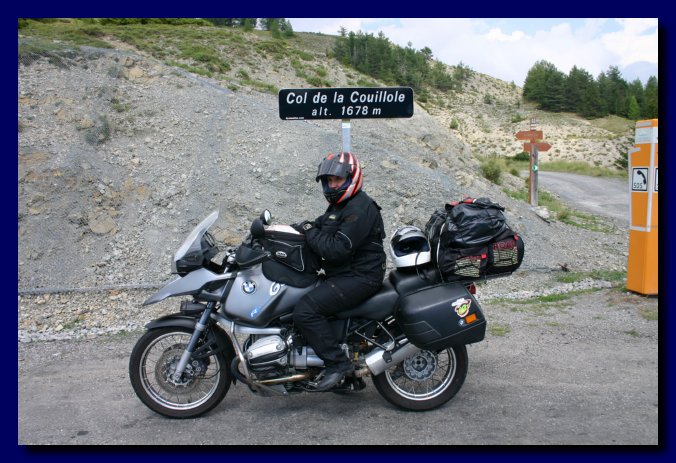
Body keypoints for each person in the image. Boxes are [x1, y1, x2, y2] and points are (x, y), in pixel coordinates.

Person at [292, 151, 386, 391]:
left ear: (351, 178)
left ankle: (337, 364)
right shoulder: (338, 207)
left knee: (306, 310)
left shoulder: (360, 208)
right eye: (329, 181)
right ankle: (349, 380)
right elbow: (317, 228)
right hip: (345, 274)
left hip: (360, 277)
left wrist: (309, 230)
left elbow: (336, 248)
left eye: (337, 180)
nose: (332, 185)